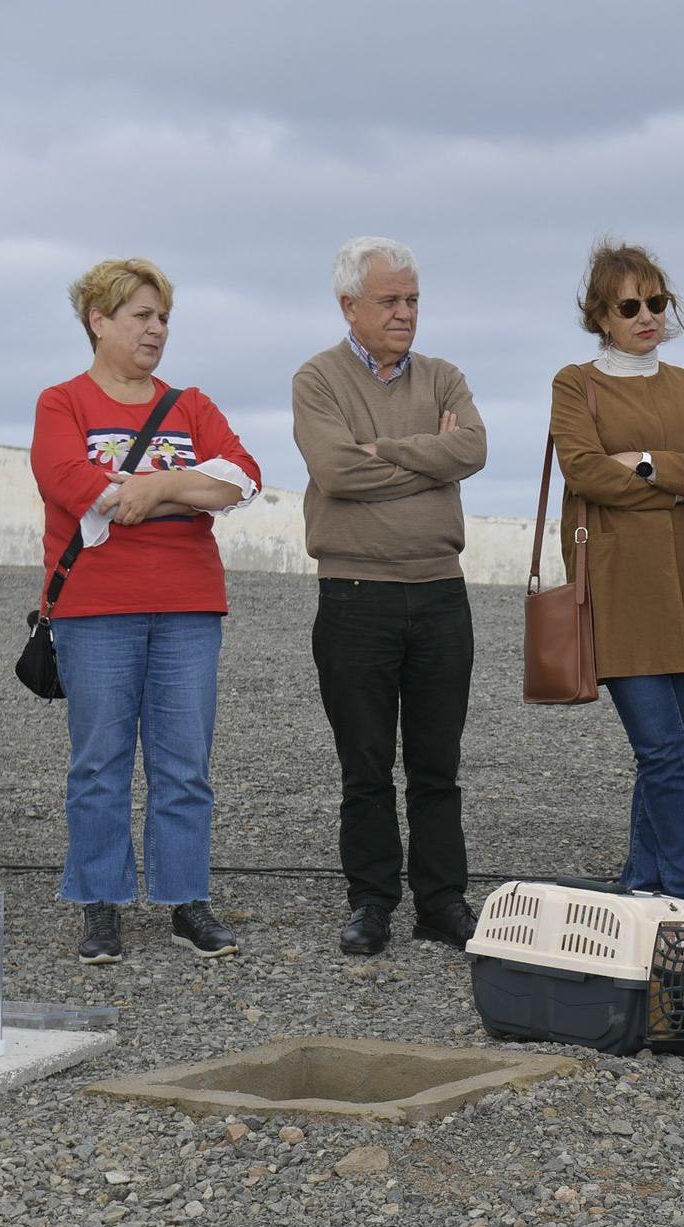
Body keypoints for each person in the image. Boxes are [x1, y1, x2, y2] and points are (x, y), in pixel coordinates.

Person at [31, 257, 262, 965]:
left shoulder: (191, 405)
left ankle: (184, 900)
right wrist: (189, 485)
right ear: (98, 321)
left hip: (189, 608)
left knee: (184, 764)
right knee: (99, 763)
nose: (156, 329)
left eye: (162, 317)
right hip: (95, 611)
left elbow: (244, 478)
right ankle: (100, 904)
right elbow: (71, 481)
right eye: (141, 315)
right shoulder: (60, 402)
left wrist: (153, 493)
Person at [292, 237, 487, 955]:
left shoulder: (445, 376)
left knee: (437, 765)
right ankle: (371, 901)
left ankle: (442, 900)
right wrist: (427, 458)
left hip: (440, 595)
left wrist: (386, 450)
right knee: (366, 766)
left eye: (412, 300)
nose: (405, 313)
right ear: (350, 305)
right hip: (354, 597)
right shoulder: (316, 380)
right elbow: (337, 473)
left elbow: (472, 450)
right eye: (390, 301)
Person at [549, 241, 684, 930]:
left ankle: (641, 884)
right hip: (620, 587)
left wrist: (648, 464)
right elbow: (583, 472)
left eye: (657, 302)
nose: (647, 315)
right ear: (600, 315)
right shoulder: (577, 385)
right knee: (661, 750)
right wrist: (682, 475)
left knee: (666, 755)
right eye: (630, 305)